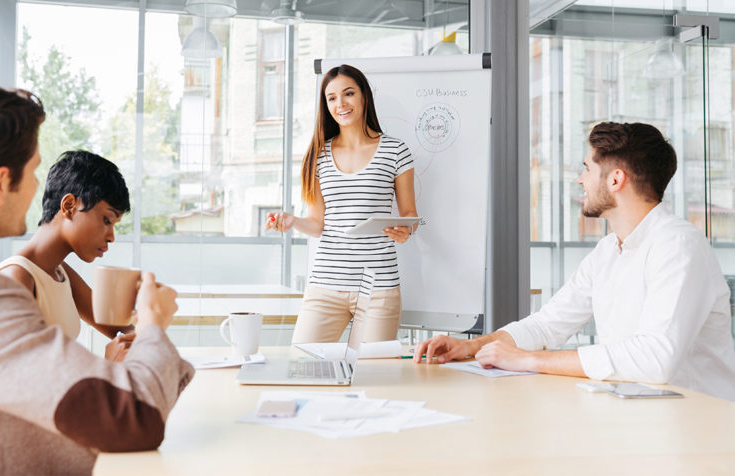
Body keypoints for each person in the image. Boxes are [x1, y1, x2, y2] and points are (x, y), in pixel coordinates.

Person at [0, 82, 195, 475]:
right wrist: (154, 324)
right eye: (33, 169)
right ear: (1, 183)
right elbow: (133, 420)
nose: (38, 186)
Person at [414, 121, 735, 401]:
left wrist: (528, 361)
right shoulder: (608, 250)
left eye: (587, 168)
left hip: (696, 423)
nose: (580, 180)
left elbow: (654, 359)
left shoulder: (677, 245)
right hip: (637, 418)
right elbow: (547, 324)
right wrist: (470, 347)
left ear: (615, 180)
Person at [267, 64, 418, 344]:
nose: (341, 104)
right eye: (332, 98)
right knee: (304, 365)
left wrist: (406, 229)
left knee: (371, 375)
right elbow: (318, 224)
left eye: (348, 93)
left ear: (364, 97)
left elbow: (410, 214)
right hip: (325, 285)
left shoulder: (396, 150)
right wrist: (293, 221)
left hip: (378, 288)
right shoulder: (318, 155)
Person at [0, 150, 135, 361]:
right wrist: (109, 369)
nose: (111, 237)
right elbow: (22, 385)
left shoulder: (59, 271)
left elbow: (122, 328)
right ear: (69, 206)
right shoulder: (16, 278)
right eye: (107, 220)